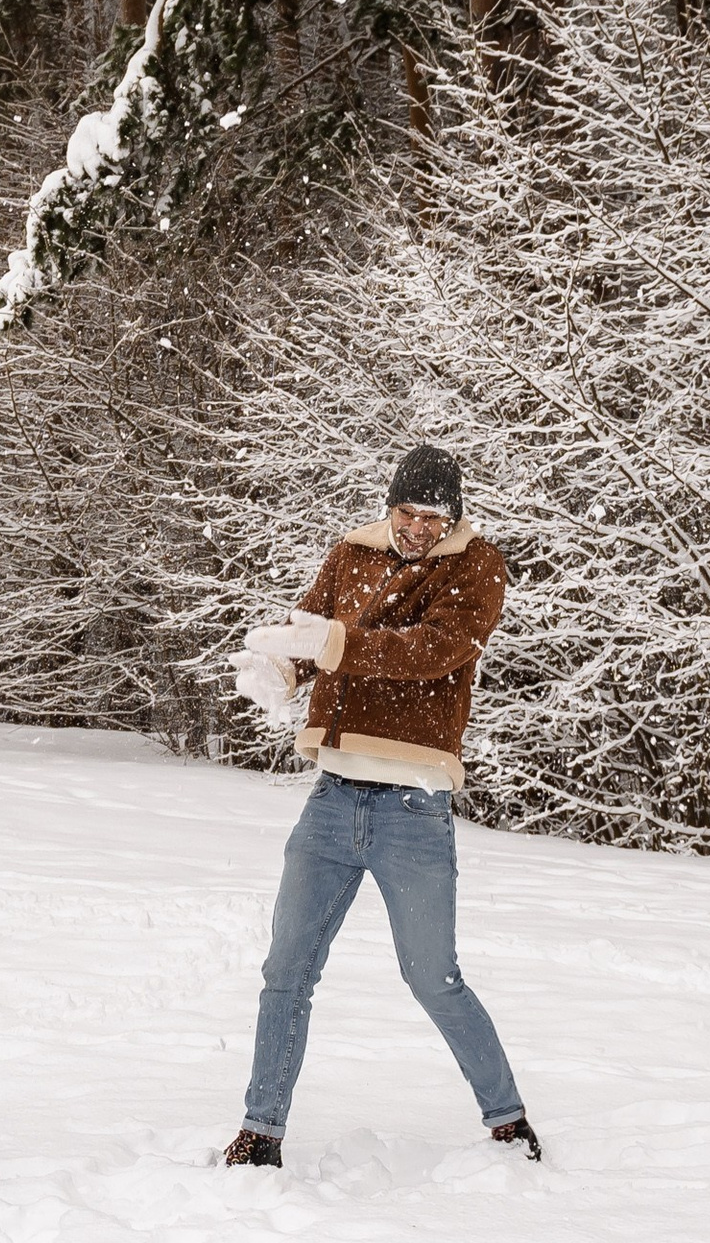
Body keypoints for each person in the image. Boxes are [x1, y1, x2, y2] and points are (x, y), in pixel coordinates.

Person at [223, 446, 540, 1167]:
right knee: (286, 971)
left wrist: (332, 643)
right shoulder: (350, 554)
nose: (420, 529)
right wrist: (280, 667)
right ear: (388, 504)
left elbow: (432, 651)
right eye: (408, 513)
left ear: (453, 519)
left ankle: (508, 1118)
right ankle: (259, 1132)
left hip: (413, 805)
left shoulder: (476, 566)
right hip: (333, 797)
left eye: (435, 518)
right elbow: (311, 632)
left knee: (431, 976)